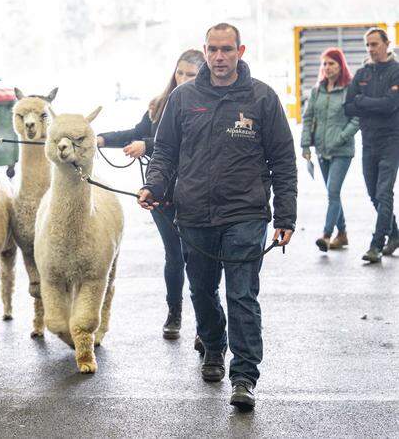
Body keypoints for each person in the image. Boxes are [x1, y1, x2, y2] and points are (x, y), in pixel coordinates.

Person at [137, 23, 297, 411]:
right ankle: (213, 347)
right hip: (193, 214)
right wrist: (154, 187)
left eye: (227, 49)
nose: (220, 57)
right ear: (204, 51)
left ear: (240, 51)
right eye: (213, 49)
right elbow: (165, 153)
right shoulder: (183, 98)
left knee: (242, 294)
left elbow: (283, 160)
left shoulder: (262, 98)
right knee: (202, 291)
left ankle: (244, 376)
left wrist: (285, 216)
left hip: (246, 213)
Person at [96, 50, 205, 350]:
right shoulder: (158, 106)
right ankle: (174, 313)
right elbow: (136, 133)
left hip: (195, 194)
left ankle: (205, 323)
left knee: (197, 260)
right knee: (174, 256)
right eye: (180, 73)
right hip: (160, 196)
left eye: (192, 75)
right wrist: (101, 138)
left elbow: (183, 143)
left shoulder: (205, 106)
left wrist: (148, 145)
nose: (184, 79)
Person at [344, 28, 399, 263]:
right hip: (368, 140)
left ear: (387, 44)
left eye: (375, 44)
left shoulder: (396, 72)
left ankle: (376, 245)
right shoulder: (362, 73)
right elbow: (348, 107)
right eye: (367, 45)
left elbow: (390, 105)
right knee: (373, 194)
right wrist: (366, 104)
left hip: (391, 139)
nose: (371, 49)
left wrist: (362, 101)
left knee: (384, 193)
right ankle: (395, 234)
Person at [301, 48, 359, 252]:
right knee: (332, 194)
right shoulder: (318, 90)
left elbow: (357, 118)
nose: (327, 68)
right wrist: (305, 145)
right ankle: (342, 234)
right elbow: (308, 118)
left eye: (331, 63)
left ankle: (326, 235)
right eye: (324, 64)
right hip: (322, 150)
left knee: (333, 192)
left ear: (340, 65)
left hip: (342, 150)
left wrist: (342, 137)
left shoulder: (350, 89)